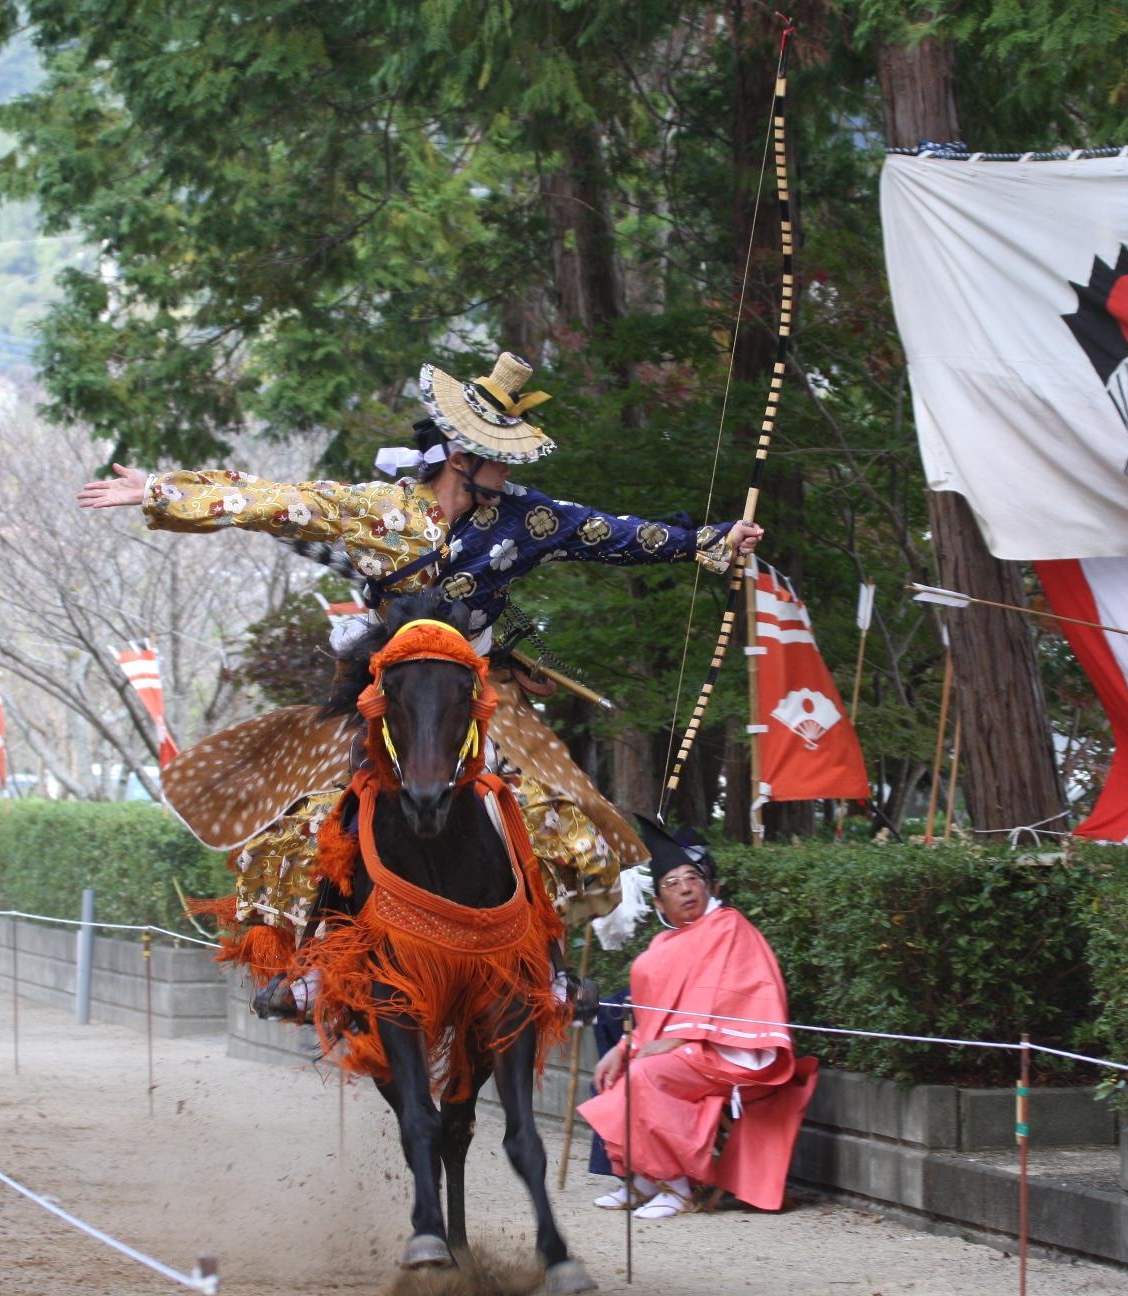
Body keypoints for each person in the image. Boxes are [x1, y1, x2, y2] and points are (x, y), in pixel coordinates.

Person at [76, 351, 763, 969]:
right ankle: (315, 955)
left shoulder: (528, 520)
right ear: (461, 456)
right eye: (501, 459)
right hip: (389, 691)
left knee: (564, 811)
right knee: (312, 816)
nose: (510, 472)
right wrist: (161, 491)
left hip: (480, 686)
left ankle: (539, 960)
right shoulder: (378, 510)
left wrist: (714, 539)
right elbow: (277, 503)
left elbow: (615, 534)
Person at [577, 818, 819, 1219]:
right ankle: (644, 1179)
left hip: (729, 1052)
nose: (685, 888)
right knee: (616, 1074)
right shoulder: (662, 943)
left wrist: (676, 1042)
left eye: (692, 878)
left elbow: (730, 998)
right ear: (658, 904)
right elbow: (654, 1017)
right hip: (689, 1051)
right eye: (671, 884)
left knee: (648, 1075)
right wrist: (624, 1047)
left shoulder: (730, 927)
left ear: (707, 886)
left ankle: (677, 1185)